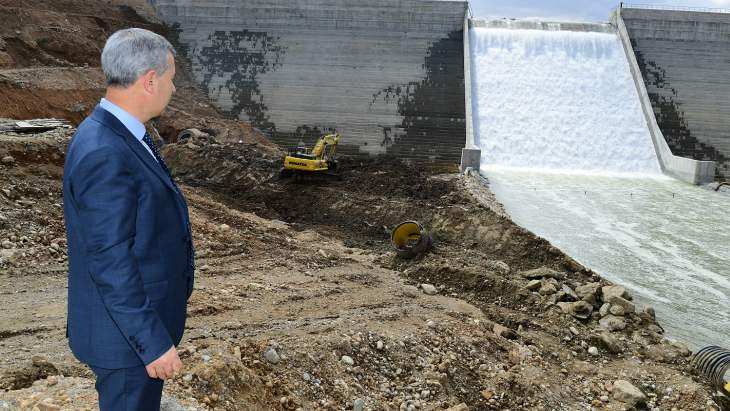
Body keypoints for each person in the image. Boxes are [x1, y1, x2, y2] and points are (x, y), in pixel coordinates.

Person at [62, 28, 194, 410]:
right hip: (127, 344)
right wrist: (152, 344)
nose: (173, 89)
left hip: (129, 333)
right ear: (150, 81)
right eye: (171, 79)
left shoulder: (120, 134)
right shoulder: (106, 150)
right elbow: (110, 260)